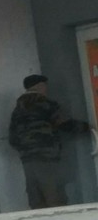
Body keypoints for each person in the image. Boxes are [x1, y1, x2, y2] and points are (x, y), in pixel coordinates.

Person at [8, 74, 90, 210]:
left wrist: (26, 149)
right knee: (54, 196)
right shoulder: (46, 104)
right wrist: (88, 127)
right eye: (45, 85)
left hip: (28, 159)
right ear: (40, 86)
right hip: (47, 156)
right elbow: (64, 124)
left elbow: (12, 138)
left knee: (36, 197)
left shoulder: (17, 110)